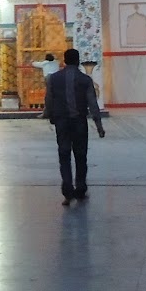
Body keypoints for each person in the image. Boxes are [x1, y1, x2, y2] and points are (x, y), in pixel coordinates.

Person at [41, 48, 104, 204]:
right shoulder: (85, 80)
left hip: (62, 122)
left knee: (64, 155)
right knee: (80, 155)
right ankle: (80, 189)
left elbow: (49, 99)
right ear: (78, 61)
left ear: (64, 61)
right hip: (79, 122)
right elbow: (92, 104)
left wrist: (49, 115)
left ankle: (68, 191)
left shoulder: (54, 78)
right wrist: (99, 125)